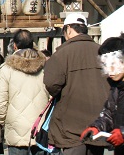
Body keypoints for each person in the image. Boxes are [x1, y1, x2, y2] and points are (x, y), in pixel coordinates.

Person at [44, 13, 109, 155]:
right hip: (98, 122)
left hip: (70, 124)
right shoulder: (103, 53)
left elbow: (51, 84)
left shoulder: (61, 54)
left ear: (68, 29)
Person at [0, 29, 50, 155]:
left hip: (15, 129)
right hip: (40, 129)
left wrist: (6, 122)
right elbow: (52, 96)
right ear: (32, 44)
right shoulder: (45, 67)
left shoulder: (6, 69)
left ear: (14, 45)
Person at [80, 34, 124, 154]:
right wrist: (96, 127)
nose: (109, 71)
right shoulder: (116, 87)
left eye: (113, 64)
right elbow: (109, 113)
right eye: (105, 65)